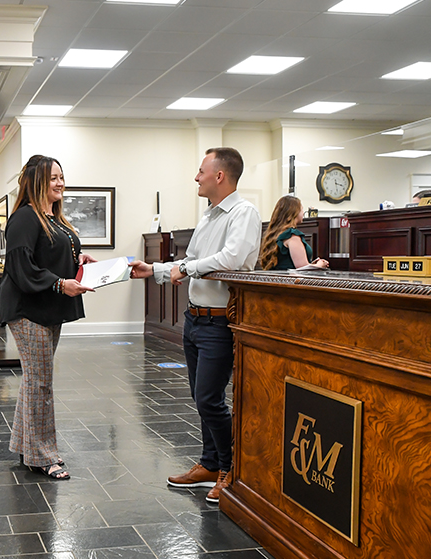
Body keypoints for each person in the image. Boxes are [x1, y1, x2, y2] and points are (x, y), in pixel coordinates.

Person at [129, 147, 261, 503]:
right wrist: (153, 270)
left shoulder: (244, 213)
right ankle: (209, 464)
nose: (196, 177)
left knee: (209, 400)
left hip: (220, 324)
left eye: (201, 171)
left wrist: (185, 269)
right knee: (201, 399)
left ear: (220, 176)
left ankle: (232, 471)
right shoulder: (209, 216)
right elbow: (190, 261)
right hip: (195, 320)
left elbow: (231, 258)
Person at [1, 155, 96, 480]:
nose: (60, 183)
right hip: (29, 311)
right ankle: (44, 457)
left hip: (48, 308)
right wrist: (58, 283)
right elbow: (21, 266)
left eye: (61, 177)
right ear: (37, 181)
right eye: (53, 178)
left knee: (34, 380)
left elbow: (51, 254)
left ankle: (25, 446)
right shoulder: (25, 218)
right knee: (41, 382)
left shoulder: (53, 218)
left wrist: (77, 259)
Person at [259, 195, 330, 271]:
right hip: (291, 281)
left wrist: (312, 265)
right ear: (294, 212)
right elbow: (302, 269)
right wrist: (320, 264)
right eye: (301, 209)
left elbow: (288, 263)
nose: (303, 213)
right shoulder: (292, 235)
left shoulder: (275, 234)